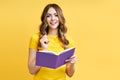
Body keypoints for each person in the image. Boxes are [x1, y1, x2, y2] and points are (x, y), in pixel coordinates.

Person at [28, 3, 77, 80]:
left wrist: (72, 63)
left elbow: (70, 74)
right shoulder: (36, 38)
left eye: (56, 15)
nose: (53, 18)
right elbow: (31, 70)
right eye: (48, 16)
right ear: (45, 19)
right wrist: (43, 50)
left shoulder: (68, 41)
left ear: (60, 17)